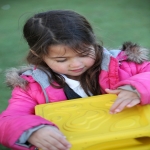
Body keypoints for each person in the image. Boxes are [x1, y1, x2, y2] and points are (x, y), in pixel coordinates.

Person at [0, 10, 150, 150]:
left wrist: (136, 88)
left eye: (84, 53)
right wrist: (32, 131)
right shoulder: (30, 87)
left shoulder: (124, 63)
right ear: (37, 53)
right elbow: (8, 120)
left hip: (130, 140)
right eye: (62, 59)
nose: (77, 64)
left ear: (93, 41)